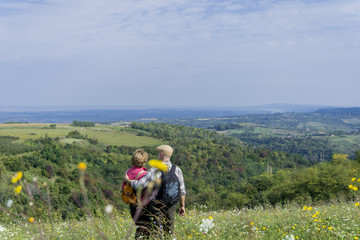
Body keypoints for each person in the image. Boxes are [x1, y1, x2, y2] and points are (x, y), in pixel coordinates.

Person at [124, 145, 186, 238]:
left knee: (157, 230)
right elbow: (182, 190)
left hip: (156, 205)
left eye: (158, 153)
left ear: (161, 154)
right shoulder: (177, 170)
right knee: (169, 230)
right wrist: (182, 206)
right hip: (171, 204)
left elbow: (139, 185)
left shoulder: (154, 171)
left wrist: (128, 180)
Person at [122, 148, 150, 239]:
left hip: (132, 204)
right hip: (143, 205)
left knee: (139, 227)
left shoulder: (127, 172)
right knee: (146, 230)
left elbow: (123, 188)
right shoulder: (145, 174)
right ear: (144, 160)